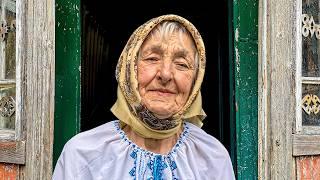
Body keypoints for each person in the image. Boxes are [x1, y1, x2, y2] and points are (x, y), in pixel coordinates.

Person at [52, 14, 235, 180]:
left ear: (195, 80)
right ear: (129, 69)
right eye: (152, 59)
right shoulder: (82, 155)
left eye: (181, 64)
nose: (165, 74)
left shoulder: (213, 158)